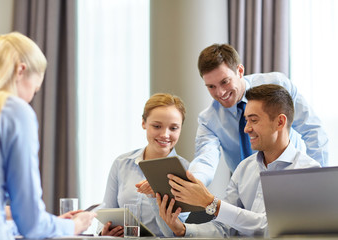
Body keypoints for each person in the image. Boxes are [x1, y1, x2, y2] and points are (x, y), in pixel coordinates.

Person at [155, 84, 321, 237]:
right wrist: (182, 229)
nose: (246, 128)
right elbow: (224, 228)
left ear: (280, 122)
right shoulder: (244, 168)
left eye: (254, 120)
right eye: (246, 119)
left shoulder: (309, 171)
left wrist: (212, 203)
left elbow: (271, 228)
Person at [0, 32, 96, 240]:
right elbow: (32, 225)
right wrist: (73, 226)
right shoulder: (12, 110)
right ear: (20, 70)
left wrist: (53, 222)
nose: (31, 99)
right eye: (35, 90)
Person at [189, 43, 328, 186]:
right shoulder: (209, 119)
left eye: (225, 82)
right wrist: (193, 183)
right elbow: (205, 159)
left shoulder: (278, 85)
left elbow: (312, 130)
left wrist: (317, 180)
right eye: (211, 87)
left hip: (292, 180)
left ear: (240, 71)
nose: (220, 93)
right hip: (248, 190)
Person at [99, 93, 190, 237]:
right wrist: (105, 232)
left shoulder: (186, 171)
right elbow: (107, 212)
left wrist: (154, 197)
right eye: (157, 126)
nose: (165, 134)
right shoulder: (121, 164)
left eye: (173, 128)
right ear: (143, 123)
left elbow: (177, 232)